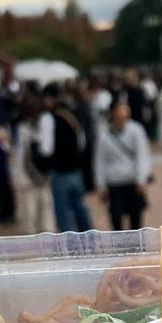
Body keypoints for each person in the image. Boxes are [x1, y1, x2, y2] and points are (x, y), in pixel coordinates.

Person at [39, 83, 91, 233]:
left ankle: (69, 244)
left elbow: (46, 149)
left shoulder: (48, 118)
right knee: (80, 208)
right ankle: (88, 239)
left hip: (59, 172)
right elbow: (82, 142)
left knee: (63, 213)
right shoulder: (71, 114)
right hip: (75, 170)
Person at [94, 98, 151, 230]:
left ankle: (136, 243)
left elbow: (142, 156)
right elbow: (100, 161)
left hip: (133, 181)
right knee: (115, 217)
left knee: (136, 220)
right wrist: (100, 184)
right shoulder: (104, 134)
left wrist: (141, 179)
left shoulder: (136, 130)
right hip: (114, 182)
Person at [17, 95, 55, 234]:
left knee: (44, 213)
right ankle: (34, 241)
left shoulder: (43, 124)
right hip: (31, 177)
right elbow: (22, 155)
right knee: (32, 214)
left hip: (41, 176)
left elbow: (47, 150)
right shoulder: (23, 128)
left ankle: (46, 240)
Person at [0, 126, 16, 225]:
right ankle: (3, 214)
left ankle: (9, 214)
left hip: (6, 174)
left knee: (8, 195)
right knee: (1, 195)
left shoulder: (6, 146)